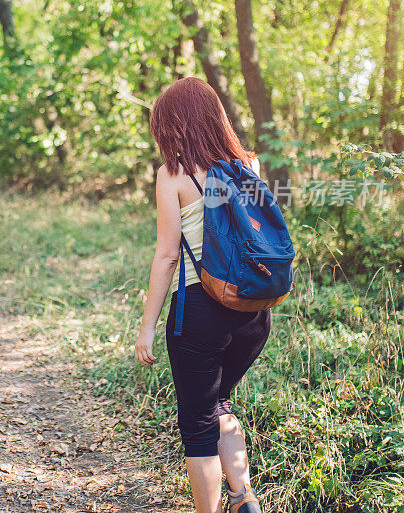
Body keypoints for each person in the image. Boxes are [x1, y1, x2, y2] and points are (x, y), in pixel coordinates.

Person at [134, 77, 268, 513]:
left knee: (196, 423)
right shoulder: (249, 165)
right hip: (253, 310)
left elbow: (167, 255)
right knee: (218, 401)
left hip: (199, 313)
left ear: (173, 124)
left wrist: (148, 327)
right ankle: (242, 496)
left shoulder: (172, 175)